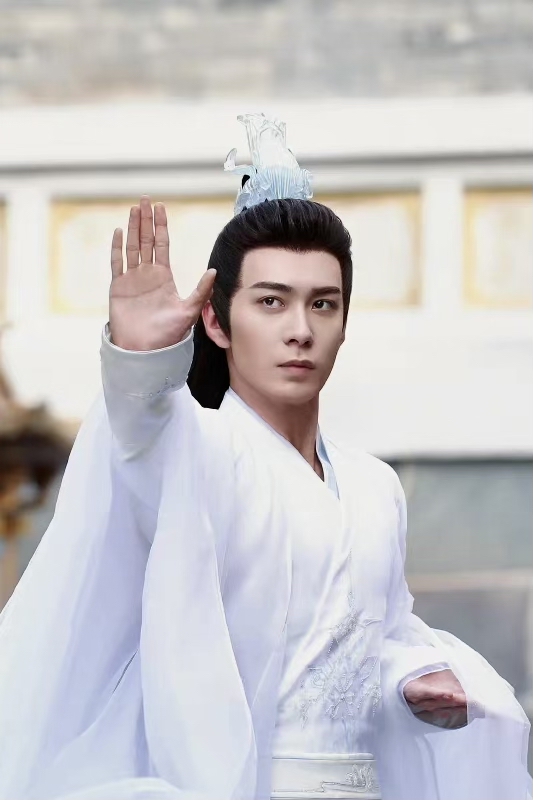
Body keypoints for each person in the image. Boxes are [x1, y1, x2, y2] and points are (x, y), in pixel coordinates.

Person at [0, 113, 531, 800]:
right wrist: (140, 362)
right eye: (271, 302)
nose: (300, 330)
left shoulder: (374, 486)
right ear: (217, 321)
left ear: (345, 321)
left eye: (323, 304)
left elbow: (378, 632)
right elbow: (140, 431)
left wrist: (410, 677)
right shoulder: (198, 449)